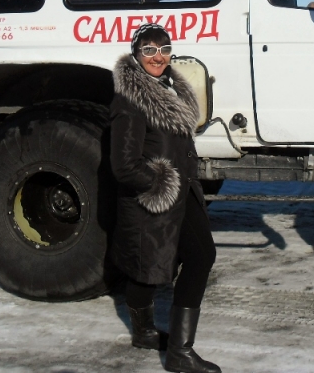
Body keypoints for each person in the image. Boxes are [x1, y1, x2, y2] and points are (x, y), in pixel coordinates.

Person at [110, 23, 221, 373]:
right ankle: (178, 353)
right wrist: (162, 183)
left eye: (164, 49)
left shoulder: (170, 87)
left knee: (174, 260)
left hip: (182, 192)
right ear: (136, 54)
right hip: (157, 195)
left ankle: (147, 334)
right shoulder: (130, 99)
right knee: (155, 265)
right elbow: (123, 166)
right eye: (149, 50)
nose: (158, 57)